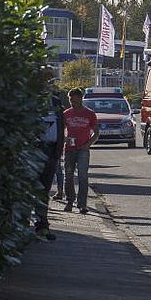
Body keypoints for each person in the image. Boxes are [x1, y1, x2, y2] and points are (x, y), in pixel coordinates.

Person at [63, 87, 99, 213]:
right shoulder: (66, 114)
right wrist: (65, 138)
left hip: (83, 149)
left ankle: (82, 204)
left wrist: (88, 144)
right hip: (69, 149)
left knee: (83, 176)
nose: (72, 103)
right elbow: (60, 131)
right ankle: (69, 201)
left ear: (81, 99)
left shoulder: (89, 114)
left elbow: (96, 133)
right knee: (68, 175)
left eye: (75, 100)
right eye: (70, 100)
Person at [35, 94, 65, 239]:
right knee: (30, 188)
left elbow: (61, 127)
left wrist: (59, 151)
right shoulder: (31, 99)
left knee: (44, 190)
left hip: (52, 151)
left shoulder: (56, 102)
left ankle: (42, 226)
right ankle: (21, 225)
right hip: (34, 151)